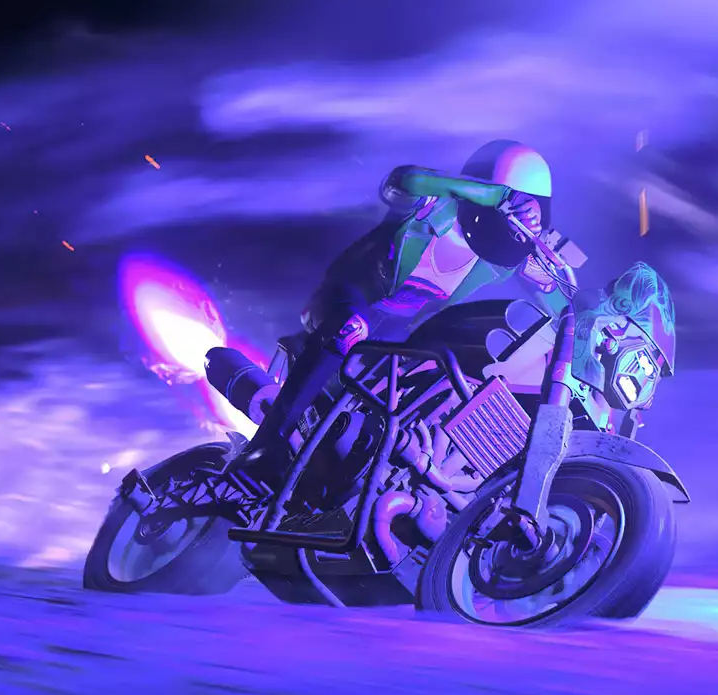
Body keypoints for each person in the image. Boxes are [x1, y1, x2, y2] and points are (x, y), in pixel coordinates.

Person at [225, 139, 580, 488]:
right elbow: (404, 180)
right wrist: (497, 195)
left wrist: (597, 337)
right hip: (349, 301)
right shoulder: (428, 207)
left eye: (533, 208)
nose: (523, 217)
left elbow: (566, 308)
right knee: (351, 328)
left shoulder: (504, 261)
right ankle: (266, 445)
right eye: (517, 204)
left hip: (396, 334)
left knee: (430, 389)